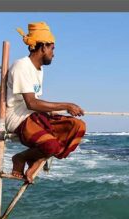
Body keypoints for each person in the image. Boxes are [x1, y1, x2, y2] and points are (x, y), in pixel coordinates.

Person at [5, 22, 86, 184]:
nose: (53, 53)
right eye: (52, 48)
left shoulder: (39, 70)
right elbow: (31, 103)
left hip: (34, 116)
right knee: (52, 146)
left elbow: (36, 104)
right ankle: (20, 158)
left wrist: (50, 112)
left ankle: (37, 159)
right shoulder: (21, 66)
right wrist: (66, 105)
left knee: (78, 126)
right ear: (43, 48)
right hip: (18, 119)